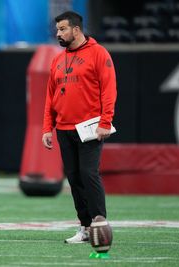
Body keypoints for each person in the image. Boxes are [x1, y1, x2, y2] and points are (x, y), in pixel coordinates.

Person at [42, 11, 117, 243]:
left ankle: (99, 224)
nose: (58, 33)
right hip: (64, 129)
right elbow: (50, 96)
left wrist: (105, 122)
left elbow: (109, 89)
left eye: (62, 29)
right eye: (57, 30)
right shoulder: (57, 59)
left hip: (90, 129)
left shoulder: (98, 53)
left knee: (89, 174)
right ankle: (85, 227)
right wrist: (47, 127)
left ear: (76, 29)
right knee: (74, 179)